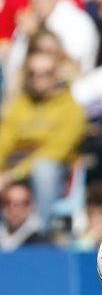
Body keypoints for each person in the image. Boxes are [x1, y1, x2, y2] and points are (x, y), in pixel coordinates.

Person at [0, 49, 86, 222]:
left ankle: (40, 234)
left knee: (43, 169)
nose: (38, 79)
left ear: (56, 74)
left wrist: (14, 174)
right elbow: (4, 141)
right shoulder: (20, 105)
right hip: (13, 168)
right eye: (33, 73)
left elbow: (56, 151)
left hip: (50, 173)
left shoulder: (71, 107)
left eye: (45, 73)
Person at [0, 178, 49, 250]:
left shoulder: (42, 244)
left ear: (31, 206)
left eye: (20, 204)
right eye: (8, 203)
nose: (13, 209)